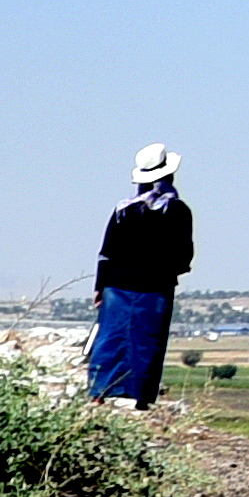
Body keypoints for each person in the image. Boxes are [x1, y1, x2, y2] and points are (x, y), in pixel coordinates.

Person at [90, 147, 191, 405]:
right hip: (155, 287)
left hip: (116, 286)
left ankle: (100, 393)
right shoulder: (177, 210)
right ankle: (139, 397)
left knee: (110, 338)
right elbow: (183, 254)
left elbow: (106, 252)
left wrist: (100, 287)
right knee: (147, 342)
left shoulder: (123, 210)